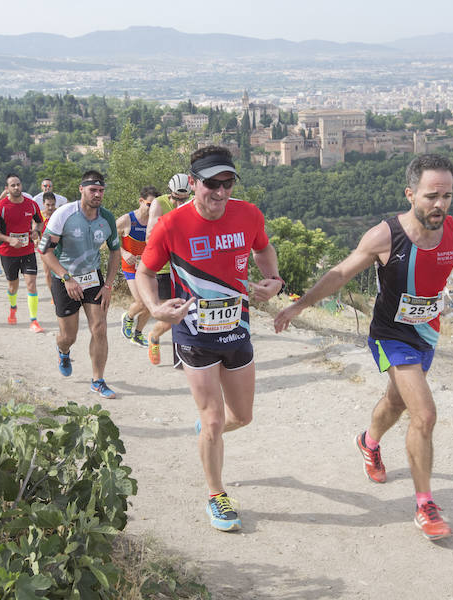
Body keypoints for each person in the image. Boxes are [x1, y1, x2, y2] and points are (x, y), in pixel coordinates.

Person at [274, 154, 453, 541]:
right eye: (432, 196)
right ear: (410, 193)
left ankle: (368, 441)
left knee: (398, 403)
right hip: (390, 335)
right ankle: (425, 505)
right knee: (425, 414)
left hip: (427, 333)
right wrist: (299, 305)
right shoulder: (386, 235)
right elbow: (341, 273)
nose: (440, 205)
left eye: (447, 196)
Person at [136, 146, 283, 532]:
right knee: (215, 419)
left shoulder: (248, 214)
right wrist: (153, 307)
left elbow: (264, 248)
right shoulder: (171, 224)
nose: (219, 192)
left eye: (227, 183)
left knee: (242, 416)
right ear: (193, 183)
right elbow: (145, 272)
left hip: (238, 329)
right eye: (211, 184)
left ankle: (207, 434)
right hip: (193, 333)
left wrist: (275, 280)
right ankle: (217, 495)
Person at [39, 170, 121, 399]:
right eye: (93, 190)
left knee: (100, 327)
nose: (97, 194)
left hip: (93, 278)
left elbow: (115, 251)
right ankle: (63, 351)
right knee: (69, 336)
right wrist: (66, 278)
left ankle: (98, 380)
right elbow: (44, 251)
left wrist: (109, 285)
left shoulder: (107, 218)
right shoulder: (63, 215)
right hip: (65, 279)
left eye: (101, 191)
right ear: (81, 189)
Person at [0, 173, 45, 332]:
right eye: (12, 185)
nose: (16, 187)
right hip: (8, 252)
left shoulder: (31, 205)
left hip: (27, 251)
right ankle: (13, 308)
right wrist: (8, 239)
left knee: (31, 285)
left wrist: (36, 232)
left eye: (18, 184)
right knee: (13, 286)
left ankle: (34, 321)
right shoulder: (1, 207)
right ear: (7, 189)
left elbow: (40, 222)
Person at [144, 173, 192, 365]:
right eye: (175, 198)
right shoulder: (159, 203)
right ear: (169, 193)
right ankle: (154, 335)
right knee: (172, 312)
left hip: (185, 267)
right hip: (164, 267)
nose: (179, 202)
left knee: (187, 310)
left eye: (183, 199)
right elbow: (150, 236)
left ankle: (183, 356)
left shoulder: (193, 204)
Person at [117, 185, 158, 348]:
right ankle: (128, 316)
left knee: (151, 303)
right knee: (141, 301)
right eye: (149, 205)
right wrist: (124, 253)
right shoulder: (127, 220)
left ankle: (138, 334)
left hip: (147, 269)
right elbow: (107, 239)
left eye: (154, 206)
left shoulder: (155, 222)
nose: (151, 209)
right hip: (130, 267)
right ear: (141, 201)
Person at [38, 191, 58, 298]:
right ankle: (53, 296)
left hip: (59, 247)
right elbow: (36, 229)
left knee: (59, 271)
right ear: (43, 204)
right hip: (45, 247)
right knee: (47, 273)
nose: (50, 207)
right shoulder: (40, 216)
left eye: (53, 204)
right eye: (48, 205)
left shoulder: (59, 214)